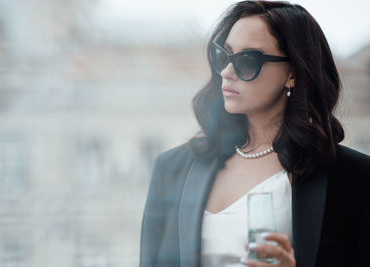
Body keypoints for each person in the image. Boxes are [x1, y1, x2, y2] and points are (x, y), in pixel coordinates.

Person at [139, 1, 370, 267]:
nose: (227, 72)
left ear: (293, 72)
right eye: (223, 56)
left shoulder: (354, 180)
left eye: (247, 61)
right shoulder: (171, 170)